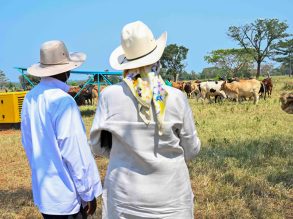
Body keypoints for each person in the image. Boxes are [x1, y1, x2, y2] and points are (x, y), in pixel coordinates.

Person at [90, 21, 201, 219]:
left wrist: (124, 155)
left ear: (125, 61)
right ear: (156, 58)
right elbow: (191, 149)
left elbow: (97, 146)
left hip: (124, 198)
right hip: (171, 199)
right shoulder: (175, 97)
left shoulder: (109, 96)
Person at [21, 40, 103, 219]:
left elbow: (27, 142)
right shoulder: (63, 101)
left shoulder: (30, 98)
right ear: (66, 70)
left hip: (45, 194)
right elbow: (74, 151)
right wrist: (88, 193)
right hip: (67, 196)